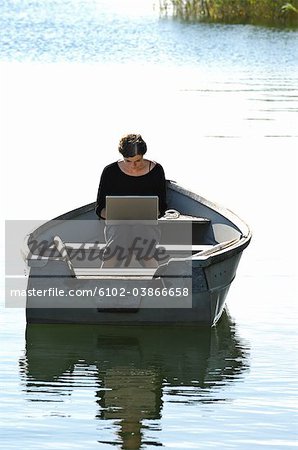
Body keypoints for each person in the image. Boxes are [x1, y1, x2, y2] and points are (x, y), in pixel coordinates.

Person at [95, 133, 167, 268]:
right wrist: (114, 214)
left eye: (138, 161)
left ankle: (157, 283)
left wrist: (152, 212)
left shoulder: (156, 170)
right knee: (118, 239)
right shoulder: (110, 171)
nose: (133, 165)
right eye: (128, 161)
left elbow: (162, 207)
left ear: (143, 156)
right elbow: (99, 208)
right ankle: (102, 282)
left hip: (147, 224)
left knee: (143, 240)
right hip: (116, 225)